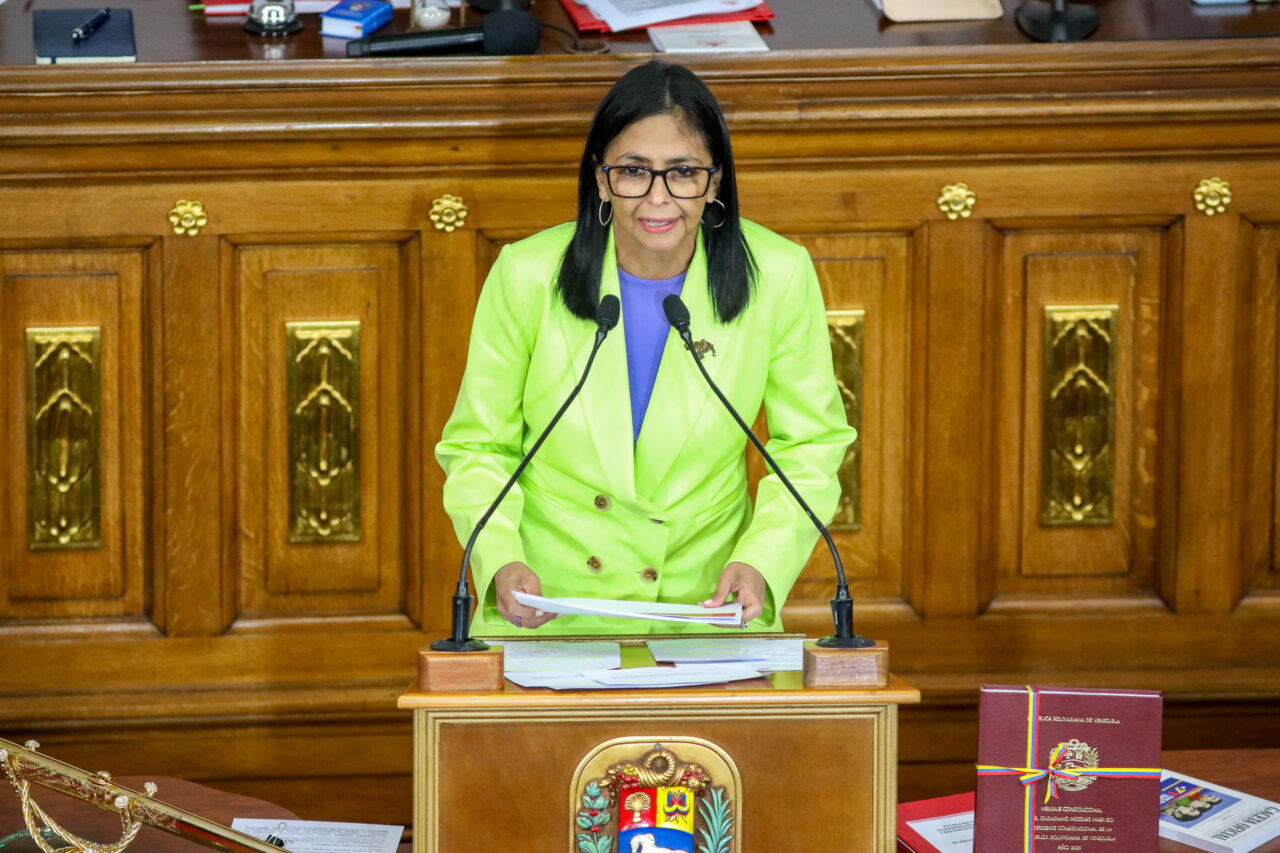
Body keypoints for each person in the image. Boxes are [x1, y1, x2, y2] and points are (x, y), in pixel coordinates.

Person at [435, 59, 856, 636]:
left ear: (714, 182)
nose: (658, 198)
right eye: (634, 171)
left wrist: (762, 560)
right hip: (550, 607)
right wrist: (500, 560)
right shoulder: (526, 275)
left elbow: (809, 445)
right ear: (601, 179)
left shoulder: (778, 275)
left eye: (683, 172)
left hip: (707, 609)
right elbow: (479, 446)